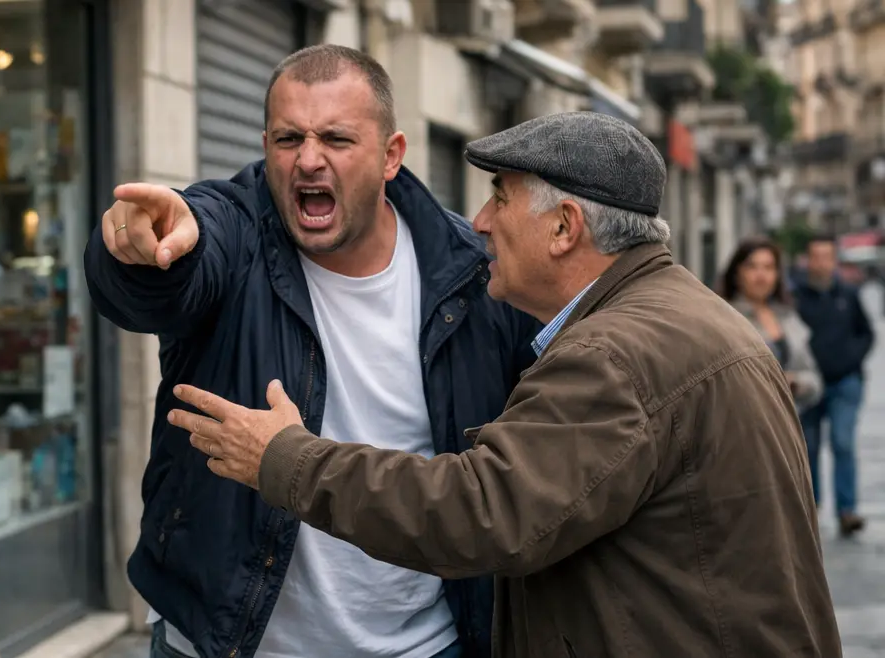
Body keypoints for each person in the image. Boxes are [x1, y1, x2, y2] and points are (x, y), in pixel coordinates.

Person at [167, 112, 842, 657]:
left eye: (499, 197)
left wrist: (285, 458)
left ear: (564, 227)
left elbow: (481, 513)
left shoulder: (614, 356)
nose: (482, 222)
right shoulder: (684, 314)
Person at [85, 44, 539, 658]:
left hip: (420, 644)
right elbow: (174, 269)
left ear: (391, 155)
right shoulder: (236, 233)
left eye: (336, 138)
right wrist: (140, 253)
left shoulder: (474, 273)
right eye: (288, 138)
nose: (308, 160)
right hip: (219, 642)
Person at [793, 234, 875, 537]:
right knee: (808, 447)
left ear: (834, 260)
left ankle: (847, 510)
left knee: (842, 442)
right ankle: (810, 509)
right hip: (809, 386)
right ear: (807, 260)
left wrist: (851, 358)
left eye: (826, 257)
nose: (821, 263)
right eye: (815, 257)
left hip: (845, 382)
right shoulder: (796, 297)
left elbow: (866, 333)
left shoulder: (848, 294)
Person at [717, 237, 823, 411]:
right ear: (736, 273)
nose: (761, 275)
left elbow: (813, 377)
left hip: (790, 419)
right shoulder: (724, 317)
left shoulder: (788, 317)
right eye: (752, 267)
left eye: (768, 267)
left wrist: (795, 384)